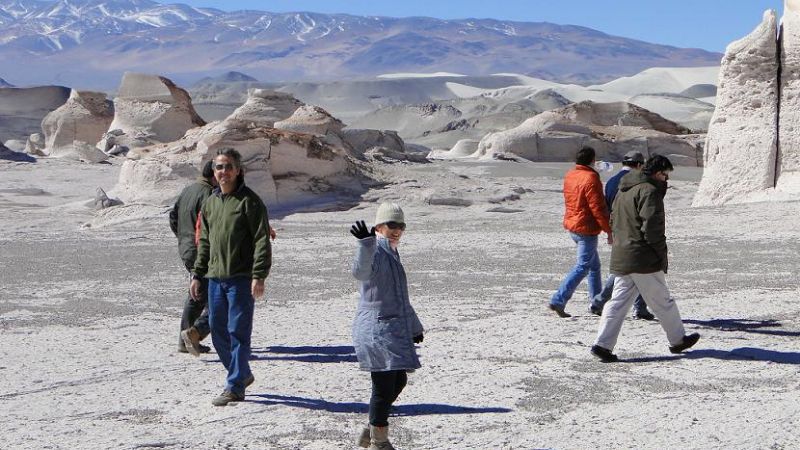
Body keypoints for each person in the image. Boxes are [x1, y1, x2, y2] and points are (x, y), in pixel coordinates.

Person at [591, 155, 700, 362]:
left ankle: (602, 345)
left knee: (618, 302)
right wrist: (660, 253)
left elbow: (614, 220)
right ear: (658, 172)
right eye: (665, 174)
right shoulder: (649, 191)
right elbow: (652, 227)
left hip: (623, 254)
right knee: (662, 300)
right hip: (642, 257)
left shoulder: (625, 190)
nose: (666, 179)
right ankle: (678, 340)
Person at [190, 148, 272, 406]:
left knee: (238, 332)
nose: (222, 172)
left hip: (240, 278)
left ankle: (235, 385)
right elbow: (204, 241)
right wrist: (197, 273)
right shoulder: (211, 202)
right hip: (215, 278)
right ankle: (242, 373)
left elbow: (261, 240)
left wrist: (258, 275)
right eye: (218, 167)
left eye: (227, 167)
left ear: (238, 170)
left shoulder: (250, 201)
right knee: (217, 331)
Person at [350, 203, 424, 450]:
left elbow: (399, 297)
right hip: (375, 328)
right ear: (378, 226)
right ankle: (379, 442)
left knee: (398, 380)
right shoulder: (375, 250)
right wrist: (364, 244)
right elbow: (360, 272)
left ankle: (372, 428)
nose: (397, 230)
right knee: (383, 386)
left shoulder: (391, 252)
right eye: (391, 225)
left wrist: (414, 326)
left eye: (401, 226)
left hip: (390, 328)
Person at [589, 151, 655, 320]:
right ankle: (634, 307)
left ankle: (606, 302)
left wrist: (610, 230)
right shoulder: (640, 182)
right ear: (640, 165)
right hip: (635, 230)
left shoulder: (611, 182)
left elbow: (606, 207)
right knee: (638, 268)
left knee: (627, 269)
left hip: (617, 229)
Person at [548, 146, 612, 318]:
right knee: (583, 266)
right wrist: (609, 230)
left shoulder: (571, 174)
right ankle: (558, 300)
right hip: (585, 227)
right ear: (592, 160)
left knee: (594, 266)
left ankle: (596, 302)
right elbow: (598, 208)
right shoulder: (591, 178)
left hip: (573, 225)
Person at [169, 160, 216, 356]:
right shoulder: (207, 194)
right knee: (214, 298)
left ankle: (186, 339)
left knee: (197, 294)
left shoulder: (189, 190)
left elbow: (173, 217)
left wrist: (182, 238)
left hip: (187, 249)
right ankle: (192, 335)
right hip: (200, 250)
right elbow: (209, 225)